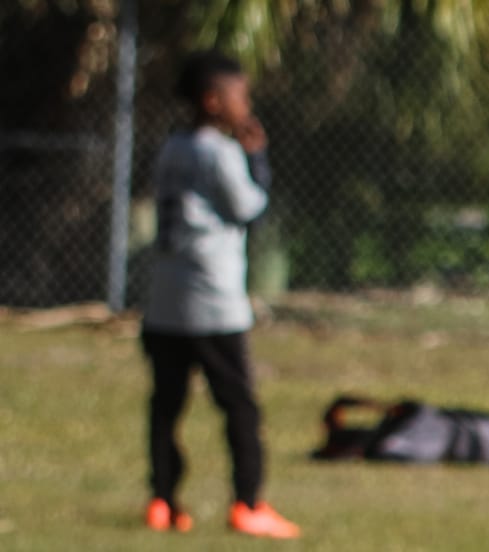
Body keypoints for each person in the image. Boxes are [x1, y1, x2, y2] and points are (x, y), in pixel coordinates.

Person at [140, 51, 299, 539]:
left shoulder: (172, 148)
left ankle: (163, 501)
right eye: (240, 96)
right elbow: (250, 208)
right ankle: (247, 504)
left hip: (163, 300)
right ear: (213, 101)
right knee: (240, 407)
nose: (246, 104)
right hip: (211, 302)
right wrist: (257, 158)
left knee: (166, 404)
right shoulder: (220, 153)